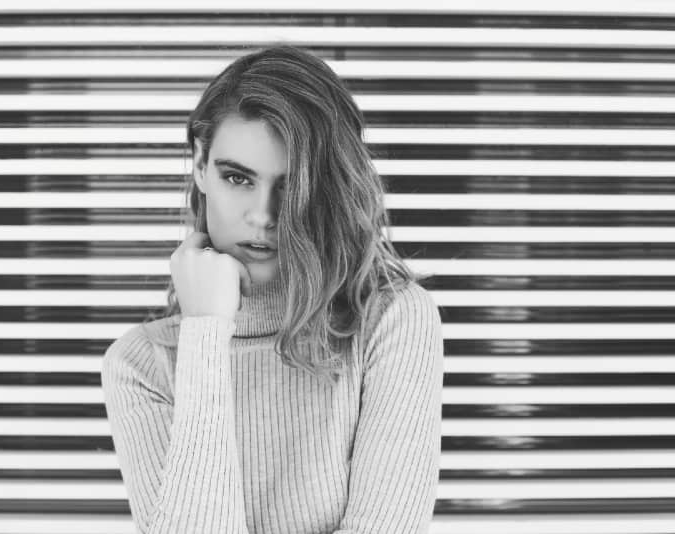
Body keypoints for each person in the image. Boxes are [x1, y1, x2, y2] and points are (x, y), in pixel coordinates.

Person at [101, 44, 444, 534]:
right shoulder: (140, 365)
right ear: (200, 164)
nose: (263, 216)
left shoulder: (390, 323)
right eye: (238, 177)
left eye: (290, 186)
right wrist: (205, 333)